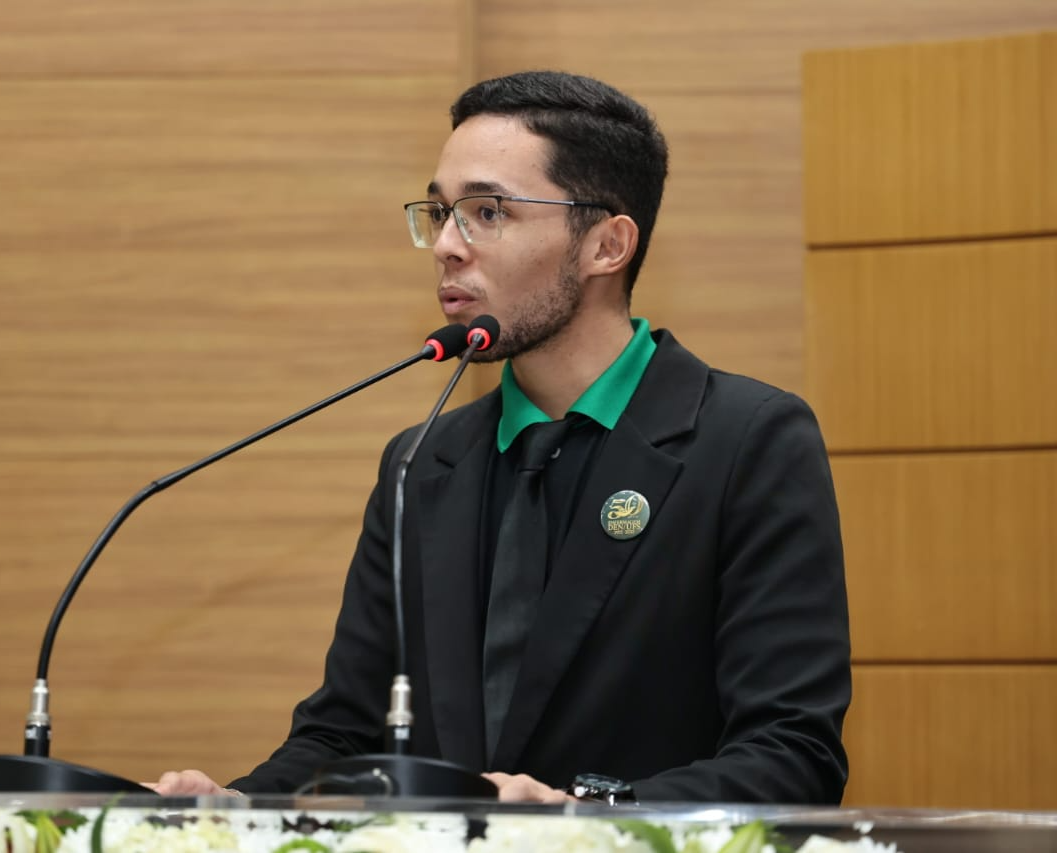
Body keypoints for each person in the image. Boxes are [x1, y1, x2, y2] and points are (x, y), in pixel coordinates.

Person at [155, 70, 851, 804]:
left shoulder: (747, 442)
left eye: (486, 212)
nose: (445, 245)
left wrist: (586, 819)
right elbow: (346, 733)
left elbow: (792, 755)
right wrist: (236, 809)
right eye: (439, 211)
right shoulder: (421, 461)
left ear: (606, 245)